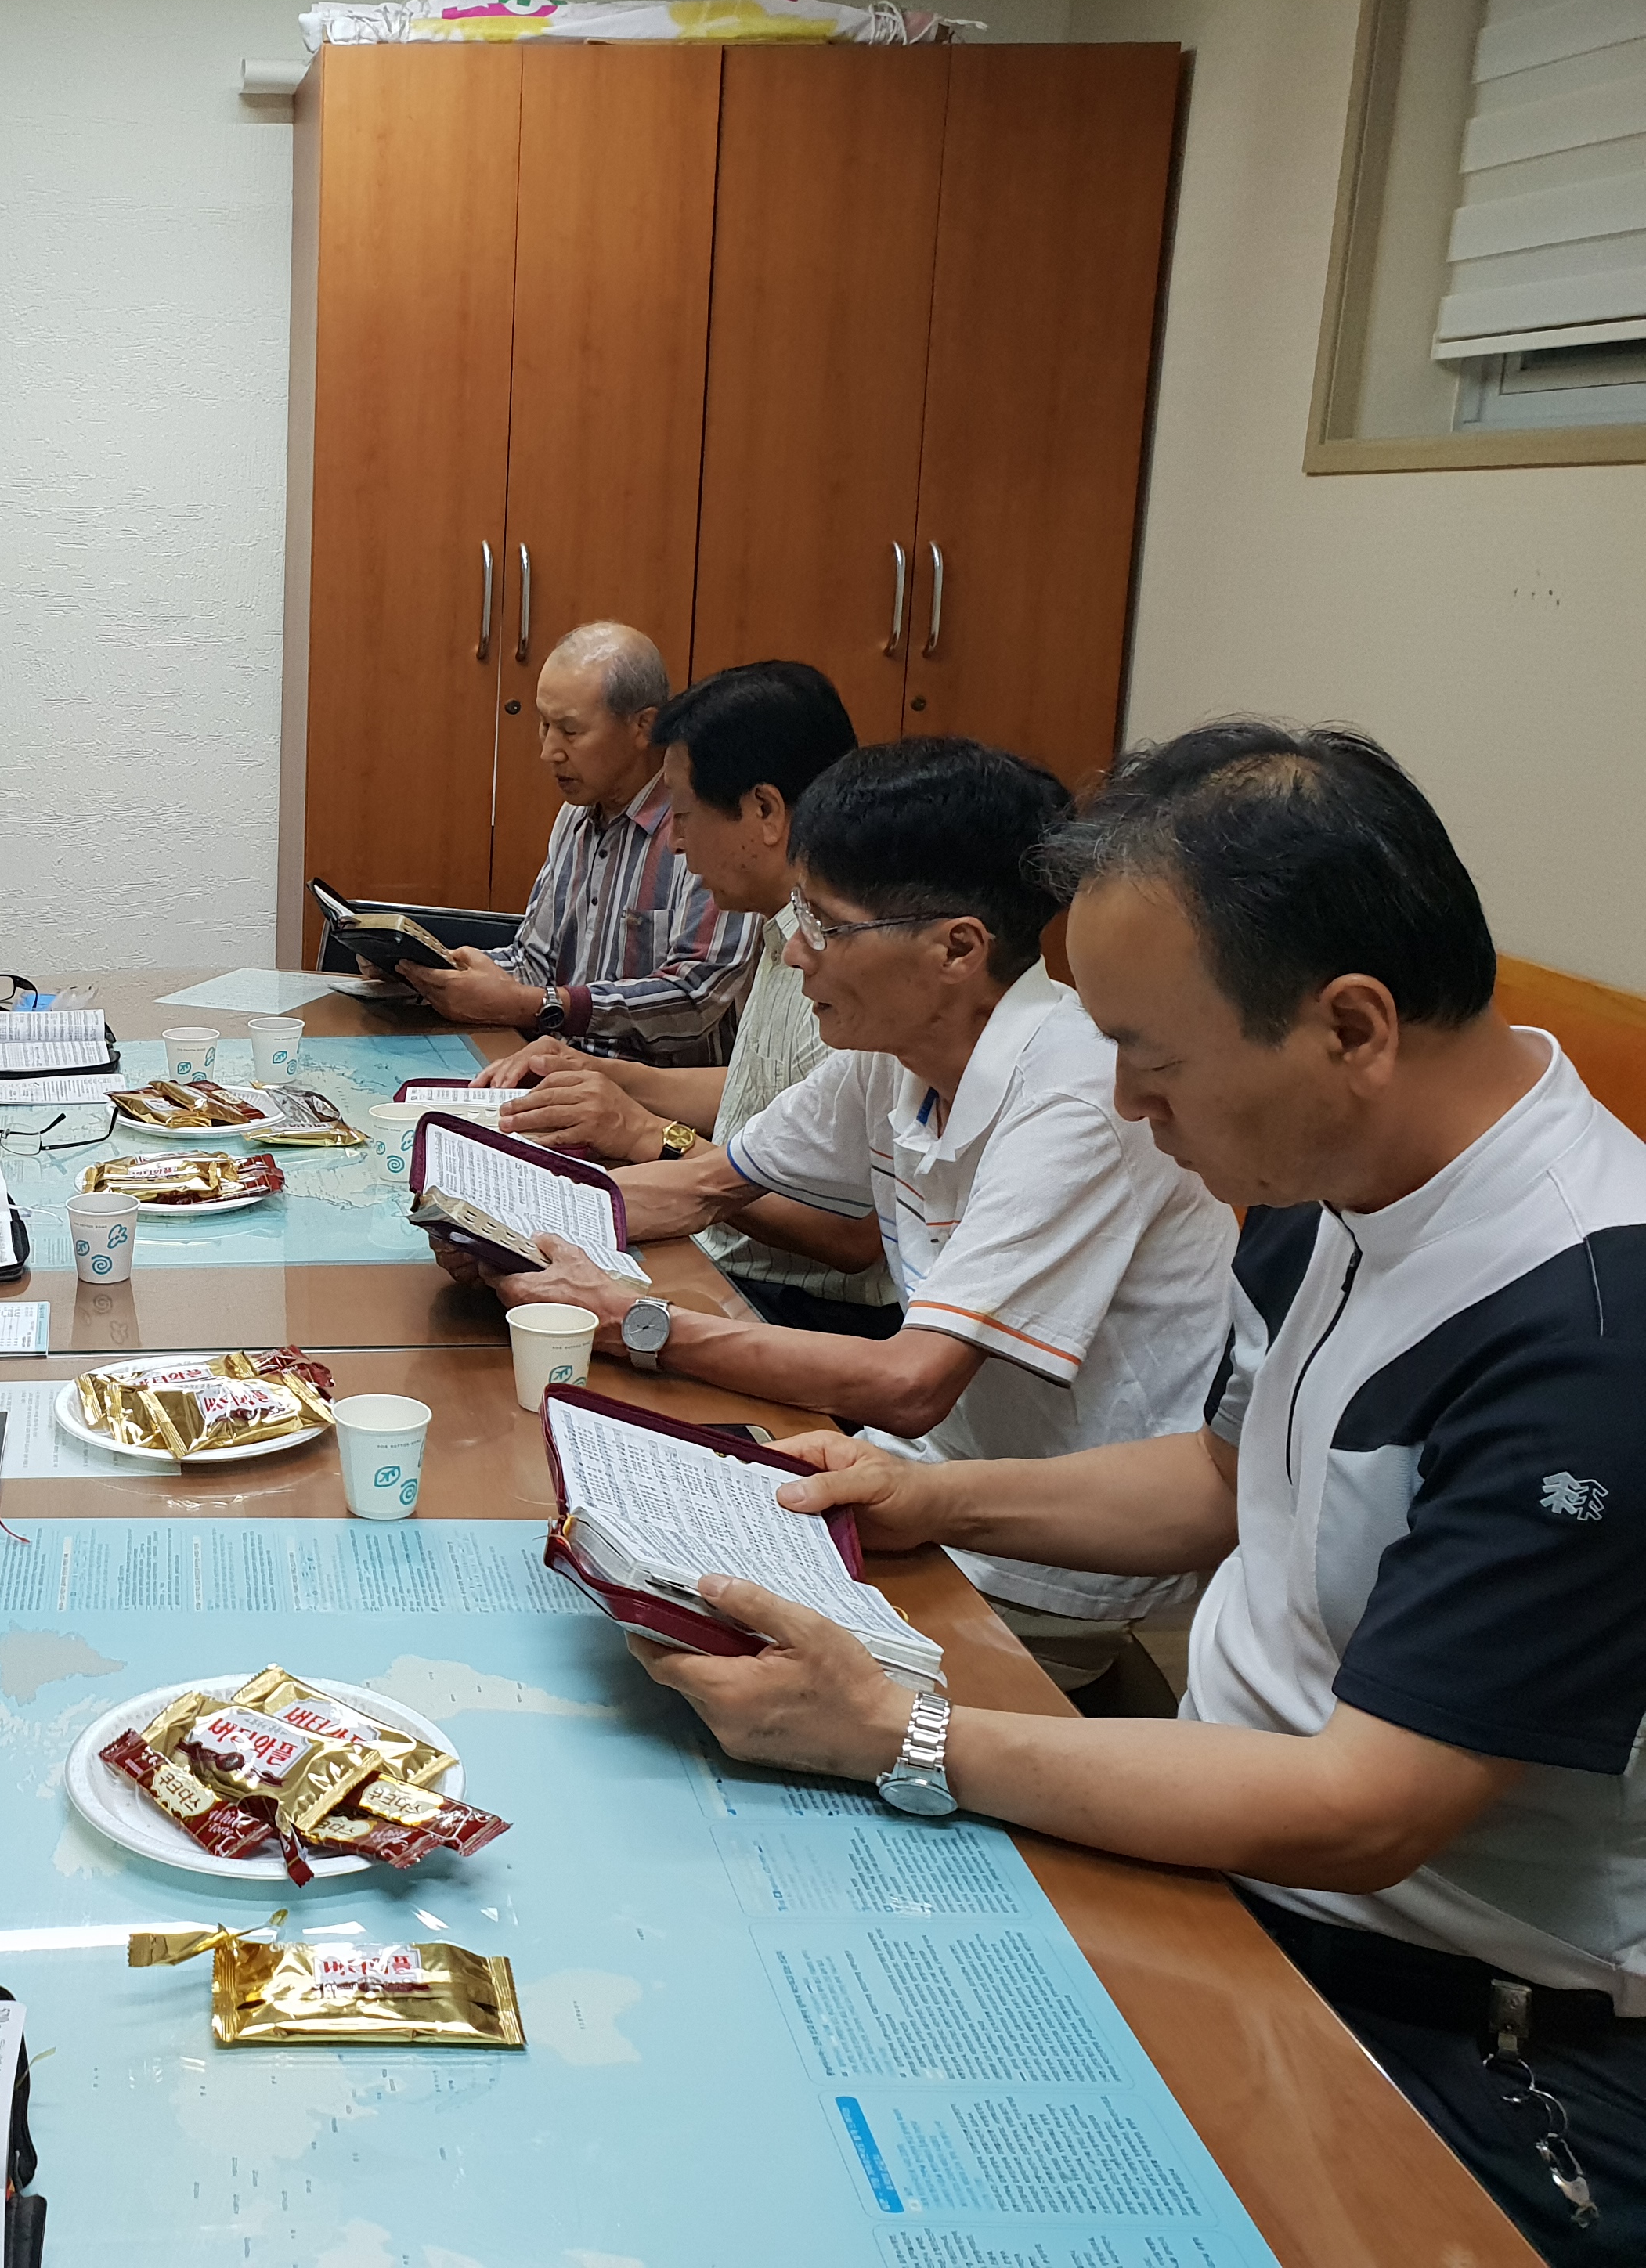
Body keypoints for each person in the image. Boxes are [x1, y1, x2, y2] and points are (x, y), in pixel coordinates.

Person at [641, 723, 1646, 2258]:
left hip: (1459, 2034)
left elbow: (1365, 1809)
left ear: (1351, 1026)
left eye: (1150, 1057)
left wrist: (907, 1734)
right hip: (1235, 1871)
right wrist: (932, 1502)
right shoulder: (1335, 1184)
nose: (1121, 1103)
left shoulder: (1582, 1332)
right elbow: (1230, 1481)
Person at [450, 735, 1236, 1692]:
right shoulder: (896, 1048)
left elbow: (911, 1383)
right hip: (910, 1482)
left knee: (633, 1660)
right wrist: (498, 1225)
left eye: (825, 925)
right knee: (568, 1555)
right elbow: (703, 1185)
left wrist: (638, 1324)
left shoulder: (1075, 1098)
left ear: (957, 950)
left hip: (1037, 1567)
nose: (794, 952)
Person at [468, 660, 898, 1337]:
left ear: (764, 812)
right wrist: (608, 1075)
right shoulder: (782, 927)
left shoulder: (846, 960)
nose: (673, 840)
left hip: (798, 1309)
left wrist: (648, 1136)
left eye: (685, 814)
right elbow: (768, 1092)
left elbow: (853, 1234)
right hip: (723, 1259)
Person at [388, 621, 759, 1064]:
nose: (549, 751)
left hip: (650, 1092)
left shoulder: (702, 830)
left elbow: (695, 997)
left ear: (644, 726)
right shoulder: (575, 817)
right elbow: (534, 964)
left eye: (570, 731)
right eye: (544, 725)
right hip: (556, 1068)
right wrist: (431, 971)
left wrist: (540, 1005)